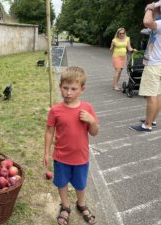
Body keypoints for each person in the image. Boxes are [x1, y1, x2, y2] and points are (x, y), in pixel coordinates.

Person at [43, 67, 99, 225]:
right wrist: (46, 152)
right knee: (61, 183)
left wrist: (91, 121)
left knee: (80, 184)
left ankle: (81, 204)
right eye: (65, 88)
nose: (68, 92)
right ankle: (65, 206)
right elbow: (49, 132)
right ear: (60, 86)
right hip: (61, 157)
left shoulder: (87, 109)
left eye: (73, 89)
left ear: (82, 89)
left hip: (81, 157)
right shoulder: (55, 110)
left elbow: (94, 132)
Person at [130, 3, 161, 132]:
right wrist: (155, 9)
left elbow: (147, 21)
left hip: (154, 64)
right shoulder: (158, 24)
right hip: (159, 64)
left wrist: (149, 7)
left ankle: (147, 125)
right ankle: (152, 119)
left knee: (151, 95)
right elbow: (151, 22)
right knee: (158, 94)